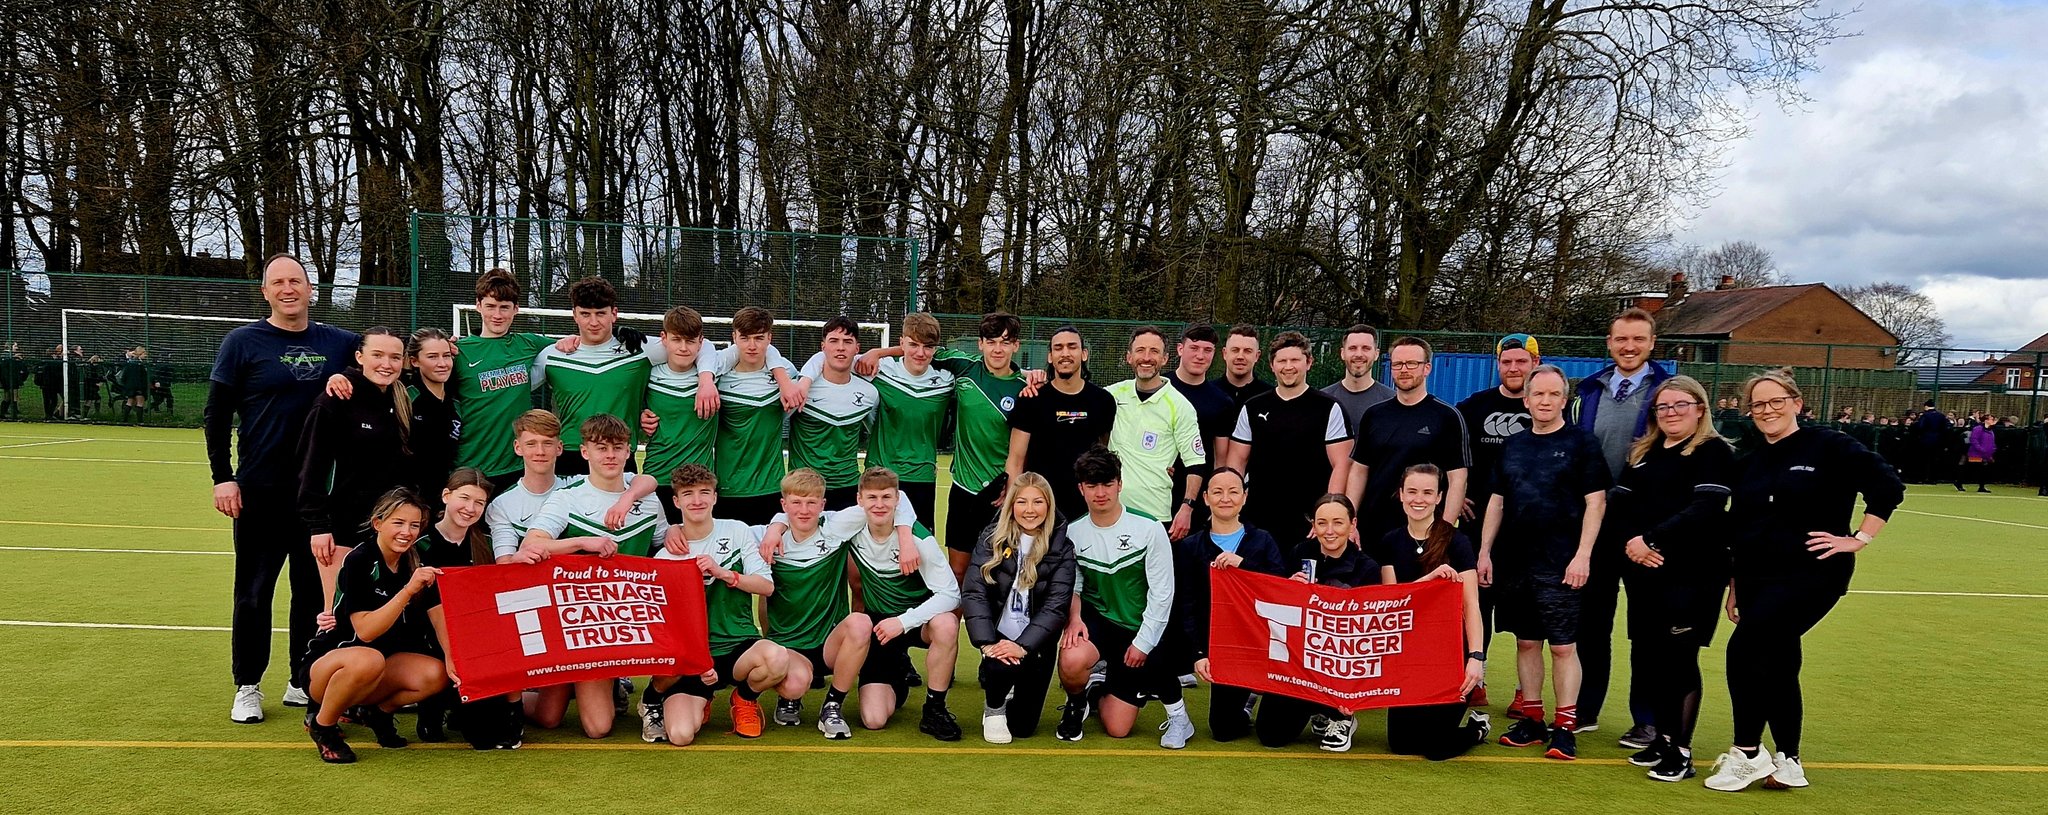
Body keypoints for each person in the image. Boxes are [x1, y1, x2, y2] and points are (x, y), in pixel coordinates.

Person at [1704, 370, 1904, 793]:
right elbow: (1740, 526)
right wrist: (1735, 585)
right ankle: (1789, 760)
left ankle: (1747, 754)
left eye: (1776, 401)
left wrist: (1858, 539)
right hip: (1757, 577)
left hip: (1812, 574)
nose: (1767, 411)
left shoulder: (1830, 445)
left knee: (1746, 649)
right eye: (1758, 405)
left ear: (1797, 403)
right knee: (1777, 661)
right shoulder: (1750, 462)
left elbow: (1887, 486)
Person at [208, 254, 359, 723]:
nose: (288, 289)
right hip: (259, 489)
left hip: (319, 496)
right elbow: (216, 415)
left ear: (311, 288)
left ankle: (301, 677)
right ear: (265, 291)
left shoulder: (340, 342)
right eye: (279, 282)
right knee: (253, 592)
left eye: (297, 280)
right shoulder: (242, 342)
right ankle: (247, 685)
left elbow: (389, 356)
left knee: (313, 593)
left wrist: (451, 347)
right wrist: (222, 476)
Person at [511, 413, 670, 739]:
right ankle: (508, 696)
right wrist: (584, 542)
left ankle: (609, 679)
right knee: (573, 722)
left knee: (598, 726)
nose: (609, 455)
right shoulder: (569, 497)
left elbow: (665, 547)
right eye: (601, 448)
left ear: (629, 452)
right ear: (585, 452)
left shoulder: (648, 499)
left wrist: (679, 537)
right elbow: (533, 544)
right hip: (582, 623)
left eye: (617, 448)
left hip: (626, 619)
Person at [1480, 364, 1610, 761]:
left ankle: (1565, 727)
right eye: (1539, 394)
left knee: (1563, 648)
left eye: (1554, 394)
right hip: (1516, 562)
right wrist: (1485, 551)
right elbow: (1497, 501)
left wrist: (1583, 555)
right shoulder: (1513, 445)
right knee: (1526, 642)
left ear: (1565, 399)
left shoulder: (1581, 444)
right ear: (1527, 398)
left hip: (1562, 564)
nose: (1545, 401)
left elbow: (1596, 502)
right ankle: (1532, 720)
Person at [1608, 376, 1735, 782]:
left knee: (1679, 660)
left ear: (1700, 408)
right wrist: (1633, 544)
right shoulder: (1644, 452)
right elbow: (1621, 505)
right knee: (1651, 658)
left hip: (1692, 574)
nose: (1671, 413)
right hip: (1645, 573)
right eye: (1663, 407)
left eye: (1681, 405)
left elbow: (1707, 508)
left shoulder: (1713, 451)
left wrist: (1650, 538)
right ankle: (1662, 739)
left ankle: (1681, 751)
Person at [1567, 308, 1674, 746]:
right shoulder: (1587, 390)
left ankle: (1647, 718)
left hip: (1645, 530)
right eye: (1620, 339)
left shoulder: (1669, 391)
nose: (1628, 347)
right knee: (1592, 625)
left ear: (1651, 343)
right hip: (1594, 525)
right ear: (1609, 344)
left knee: (1647, 628)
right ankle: (1586, 708)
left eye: (1638, 339)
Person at [860, 313, 1028, 582]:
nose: (998, 348)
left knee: (1000, 573)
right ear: (980, 343)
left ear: (1016, 346)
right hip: (961, 486)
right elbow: (919, 346)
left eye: (1005, 342)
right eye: (992, 341)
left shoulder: (1025, 388)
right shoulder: (964, 367)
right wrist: (877, 352)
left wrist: (1036, 376)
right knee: (954, 571)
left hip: (998, 489)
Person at [754, 468, 919, 738]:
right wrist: (776, 527)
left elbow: (896, 497)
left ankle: (832, 705)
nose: (804, 510)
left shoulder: (835, 525)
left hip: (830, 642)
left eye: (812, 503)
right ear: (783, 505)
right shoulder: (762, 536)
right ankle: (790, 697)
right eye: (796, 503)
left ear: (823, 504)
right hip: (789, 646)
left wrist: (905, 538)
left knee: (860, 622)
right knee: (795, 685)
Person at [298, 489, 451, 763]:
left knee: (436, 674)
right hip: (331, 666)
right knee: (368, 659)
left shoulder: (415, 560)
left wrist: (452, 659)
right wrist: (407, 591)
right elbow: (366, 631)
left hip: (379, 665)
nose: (407, 531)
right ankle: (324, 725)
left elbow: (437, 614)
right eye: (398, 523)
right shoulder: (361, 559)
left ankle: (379, 711)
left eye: (414, 525)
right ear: (378, 523)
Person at [643, 464, 789, 746]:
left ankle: (744, 698)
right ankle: (657, 699)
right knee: (681, 735)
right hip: (692, 657)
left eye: (704, 493)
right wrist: (693, 662)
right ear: (676, 501)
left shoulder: (736, 530)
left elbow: (766, 586)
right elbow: (662, 621)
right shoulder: (665, 555)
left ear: (715, 497)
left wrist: (725, 574)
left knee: (777, 658)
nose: (697, 501)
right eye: (688, 494)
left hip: (737, 645)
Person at [1055, 447, 1189, 747]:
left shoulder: (1149, 528)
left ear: (1119, 484)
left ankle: (1100, 688)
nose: (1100, 493)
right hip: (1100, 623)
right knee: (1072, 657)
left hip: (1140, 627)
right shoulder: (1073, 533)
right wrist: (1074, 618)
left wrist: (1143, 642)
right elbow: (1074, 586)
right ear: (1081, 488)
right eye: (1092, 485)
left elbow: (1162, 593)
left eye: (1107, 484)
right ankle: (1076, 703)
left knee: (1117, 728)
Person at [299, 327, 416, 613]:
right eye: (377, 355)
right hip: (341, 528)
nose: (386, 364)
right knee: (335, 613)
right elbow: (312, 467)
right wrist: (319, 526)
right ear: (359, 356)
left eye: (394, 357)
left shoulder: (398, 398)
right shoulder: (336, 399)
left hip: (380, 527)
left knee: (374, 613)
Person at [1379, 465, 1492, 760]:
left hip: (1451, 656)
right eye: (1412, 491)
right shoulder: (1391, 541)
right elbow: (1393, 603)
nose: (1420, 499)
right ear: (1401, 495)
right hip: (1411, 656)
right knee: (1401, 744)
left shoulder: (1457, 541)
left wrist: (1476, 658)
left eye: (1428, 492)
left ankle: (1476, 728)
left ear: (1439, 496)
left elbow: (1471, 606)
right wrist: (1428, 581)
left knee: (1435, 747)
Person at [842, 467, 962, 739]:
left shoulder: (920, 539)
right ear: (859, 500)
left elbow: (951, 593)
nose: (879, 504)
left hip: (916, 621)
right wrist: (777, 528)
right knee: (873, 720)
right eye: (872, 497)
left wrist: (904, 621)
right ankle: (896, 674)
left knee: (946, 623)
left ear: (898, 499)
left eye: (887, 497)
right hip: (879, 626)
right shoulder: (851, 525)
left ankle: (935, 708)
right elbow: (807, 518)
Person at [1454, 333, 1537, 707]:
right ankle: (1476, 681)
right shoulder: (1473, 408)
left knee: (1526, 617)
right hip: (1477, 528)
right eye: (1507, 362)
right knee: (1476, 606)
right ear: (1498, 365)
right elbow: (1449, 457)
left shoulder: (1549, 407)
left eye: (1521, 361)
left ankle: (1526, 694)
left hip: (1529, 530)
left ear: (1535, 363)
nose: (1514, 368)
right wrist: (1457, 495)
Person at [1177, 468, 1289, 742]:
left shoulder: (1262, 540)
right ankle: (1245, 702)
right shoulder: (1191, 547)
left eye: (1233, 491)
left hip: (1265, 646)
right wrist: (1199, 652)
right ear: (1205, 498)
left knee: (1273, 736)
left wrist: (1245, 566)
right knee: (1224, 730)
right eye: (1217, 492)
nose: (1225, 498)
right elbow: (1187, 605)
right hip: (1225, 649)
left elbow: (1281, 591)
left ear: (1245, 497)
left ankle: (1266, 697)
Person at [964, 472, 1078, 743]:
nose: (1029, 510)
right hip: (997, 636)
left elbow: (1056, 606)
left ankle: (1010, 685)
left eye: (1038, 502)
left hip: (1035, 645)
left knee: (1024, 727)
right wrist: (986, 643)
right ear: (1011, 505)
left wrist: (1024, 646)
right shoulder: (991, 538)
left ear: (1048, 506)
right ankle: (994, 708)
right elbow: (974, 591)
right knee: (998, 665)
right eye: (1022, 502)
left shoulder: (1062, 547)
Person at [1267, 494, 1383, 751]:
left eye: (1338, 523)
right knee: (1271, 734)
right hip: (1301, 662)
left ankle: (1342, 716)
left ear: (1353, 524)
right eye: (1322, 523)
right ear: (1314, 525)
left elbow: (1372, 634)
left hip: (1340, 665)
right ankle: (1317, 708)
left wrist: (1353, 690)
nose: (1329, 531)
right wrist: (1289, 588)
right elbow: (1274, 603)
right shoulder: (1299, 553)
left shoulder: (1367, 568)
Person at [1224, 331, 1352, 543]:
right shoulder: (1253, 407)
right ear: (1272, 365)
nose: (1288, 366)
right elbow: (1236, 461)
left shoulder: (1329, 408)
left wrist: (1328, 514)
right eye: (1282, 361)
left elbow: (1341, 465)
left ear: (1309, 362)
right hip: (1259, 517)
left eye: (1295, 360)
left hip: (1309, 521)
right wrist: (1233, 509)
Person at [531, 277, 660, 475]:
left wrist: (705, 382)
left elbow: (698, 347)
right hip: (571, 456)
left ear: (614, 314)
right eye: (585, 314)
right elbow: (513, 393)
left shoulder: (640, 348)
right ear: (574, 315)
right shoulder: (552, 355)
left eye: (601, 313)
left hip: (619, 454)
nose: (593, 322)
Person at [1344, 337, 1470, 540]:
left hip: (1422, 532)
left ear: (1427, 368)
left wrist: (1443, 532)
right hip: (1373, 527)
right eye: (1398, 364)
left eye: (1412, 363)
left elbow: (1458, 479)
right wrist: (1350, 520)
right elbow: (1359, 471)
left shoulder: (1447, 416)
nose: (1404, 369)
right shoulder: (1374, 414)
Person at [454, 269, 565, 492]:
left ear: (516, 309)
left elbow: (581, 346)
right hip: (470, 465)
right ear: (478, 306)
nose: (497, 314)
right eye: (490, 306)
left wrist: (619, 333)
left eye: (504, 307)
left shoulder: (529, 344)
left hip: (517, 465)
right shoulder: (458, 352)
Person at [1106, 326, 1207, 539]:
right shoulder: (1111, 395)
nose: (1146, 357)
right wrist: (1034, 378)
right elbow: (1073, 394)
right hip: (1110, 511)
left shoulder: (1180, 406)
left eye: (1154, 351)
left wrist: (1187, 508)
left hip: (1154, 516)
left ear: (1164, 359)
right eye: (1140, 350)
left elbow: (1195, 463)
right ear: (1129, 357)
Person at [1006, 325, 1116, 521]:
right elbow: (1015, 461)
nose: (1065, 353)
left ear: (1084, 354)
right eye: (1058, 348)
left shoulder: (1103, 401)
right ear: (1050, 356)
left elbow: (1103, 452)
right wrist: (1015, 505)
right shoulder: (1031, 399)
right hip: (1041, 509)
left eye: (1072, 347)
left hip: (1085, 511)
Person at [713, 306, 805, 524]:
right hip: (727, 487)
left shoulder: (786, 372)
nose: (752, 346)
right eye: (744, 338)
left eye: (759, 338)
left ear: (769, 338)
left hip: (771, 486)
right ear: (734, 337)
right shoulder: (717, 375)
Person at [867, 313, 955, 524]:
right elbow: (830, 361)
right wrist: (876, 353)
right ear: (901, 343)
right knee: (873, 547)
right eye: (913, 345)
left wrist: (1028, 374)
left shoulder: (946, 381)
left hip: (922, 477)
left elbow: (990, 370)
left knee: (917, 548)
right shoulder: (880, 370)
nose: (920, 353)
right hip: (880, 474)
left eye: (928, 347)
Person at [792, 316, 882, 508]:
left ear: (857, 349)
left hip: (848, 488)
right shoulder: (799, 390)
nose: (840, 347)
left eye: (847, 342)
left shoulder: (869, 393)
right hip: (804, 489)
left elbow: (878, 433)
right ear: (823, 346)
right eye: (834, 341)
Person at [1167, 324, 1235, 515]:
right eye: (1194, 348)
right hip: (1155, 489)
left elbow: (1221, 459)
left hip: (1197, 497)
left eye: (1207, 350)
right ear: (1180, 349)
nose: (1200, 356)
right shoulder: (1160, 388)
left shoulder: (1221, 402)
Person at [404, 328, 460, 502]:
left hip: (445, 501)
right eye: (432, 356)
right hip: (409, 501)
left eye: (446, 355)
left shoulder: (457, 403)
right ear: (415, 361)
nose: (442, 363)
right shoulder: (405, 398)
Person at [1323, 324, 1395, 434]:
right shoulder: (1323, 400)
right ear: (1342, 353)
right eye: (1352, 348)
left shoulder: (1392, 401)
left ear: (1376, 354)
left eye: (1366, 348)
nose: (1359, 354)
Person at [1216, 324, 1274, 409]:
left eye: (1247, 351)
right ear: (1225, 354)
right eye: (1235, 350)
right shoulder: (1208, 393)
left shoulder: (1271, 396)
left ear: (1257, 356)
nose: (1240, 356)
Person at [1909, 399, 1952, 484]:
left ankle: (1923, 478)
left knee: (1923, 460)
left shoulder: (1925, 416)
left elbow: (1920, 426)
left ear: (1926, 406)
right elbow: (1946, 427)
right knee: (1935, 460)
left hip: (1925, 440)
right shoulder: (1941, 416)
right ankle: (1933, 479)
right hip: (1938, 441)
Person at [1958, 414, 1997, 492]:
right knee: (1972, 468)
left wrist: (1993, 449)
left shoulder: (1991, 431)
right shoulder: (1978, 429)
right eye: (1991, 419)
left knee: (1983, 470)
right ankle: (1959, 482)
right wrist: (1980, 449)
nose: (1993, 421)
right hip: (1976, 453)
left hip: (1985, 454)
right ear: (1986, 420)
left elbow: (1992, 442)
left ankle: (1981, 487)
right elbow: (1974, 440)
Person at [118, 347, 149, 422]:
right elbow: (144, 377)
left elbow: (124, 375)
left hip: (130, 386)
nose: (146, 356)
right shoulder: (141, 365)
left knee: (129, 402)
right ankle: (140, 421)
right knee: (140, 402)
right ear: (140, 354)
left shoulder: (130, 363)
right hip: (139, 386)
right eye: (144, 354)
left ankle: (124, 420)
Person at [0, 344, 26, 420]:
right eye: (15, 346)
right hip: (10, 380)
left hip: (8, 380)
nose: (17, 348)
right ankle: (14, 416)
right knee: (14, 397)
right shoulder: (6, 356)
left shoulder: (11, 356)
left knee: (7, 397)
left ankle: (2, 414)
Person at [37, 346, 64, 418]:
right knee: (53, 400)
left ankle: (47, 414)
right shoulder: (53, 362)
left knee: (46, 400)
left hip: (44, 384)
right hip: (51, 384)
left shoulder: (42, 362)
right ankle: (50, 414)